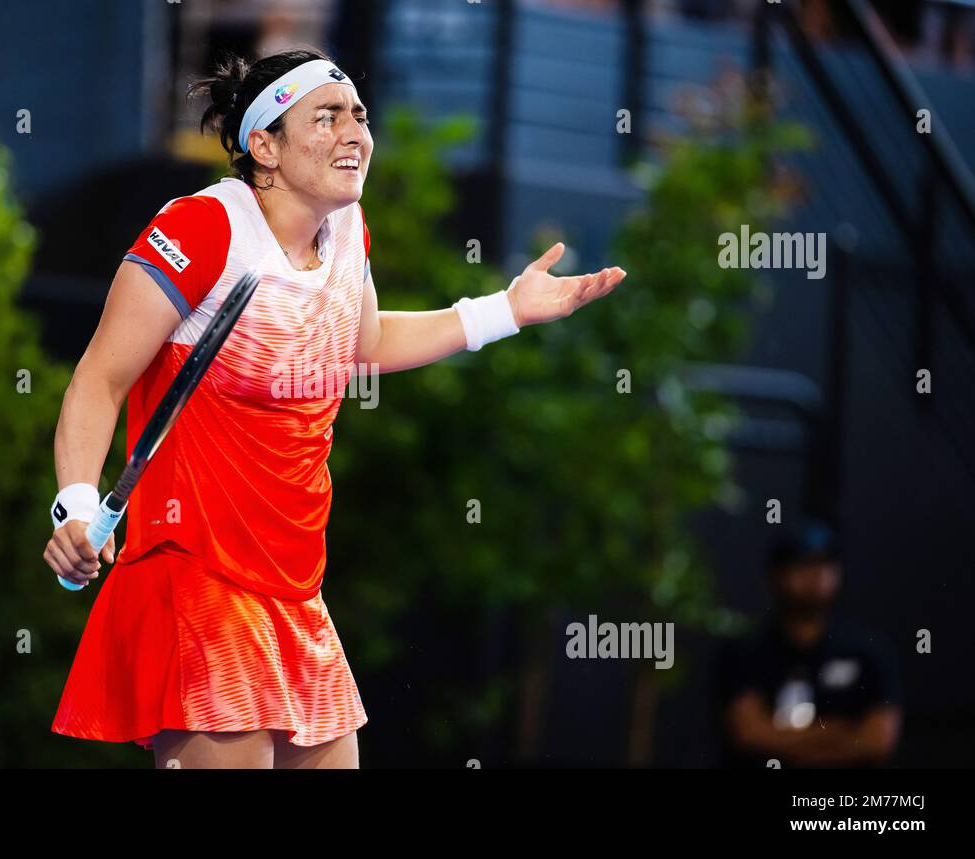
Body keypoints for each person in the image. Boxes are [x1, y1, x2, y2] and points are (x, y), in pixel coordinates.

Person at [44, 47, 626, 769]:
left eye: (359, 115)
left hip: (294, 585)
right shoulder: (203, 230)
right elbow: (98, 378)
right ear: (265, 146)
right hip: (194, 571)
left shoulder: (347, 232)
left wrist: (504, 310)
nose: (355, 132)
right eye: (327, 117)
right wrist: (74, 501)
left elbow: (364, 343)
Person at [717, 521, 903, 768]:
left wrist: (792, 745)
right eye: (803, 565)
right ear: (776, 575)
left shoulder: (868, 650)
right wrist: (835, 732)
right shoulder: (746, 650)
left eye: (826, 565)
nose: (816, 576)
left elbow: (878, 740)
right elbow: (750, 734)